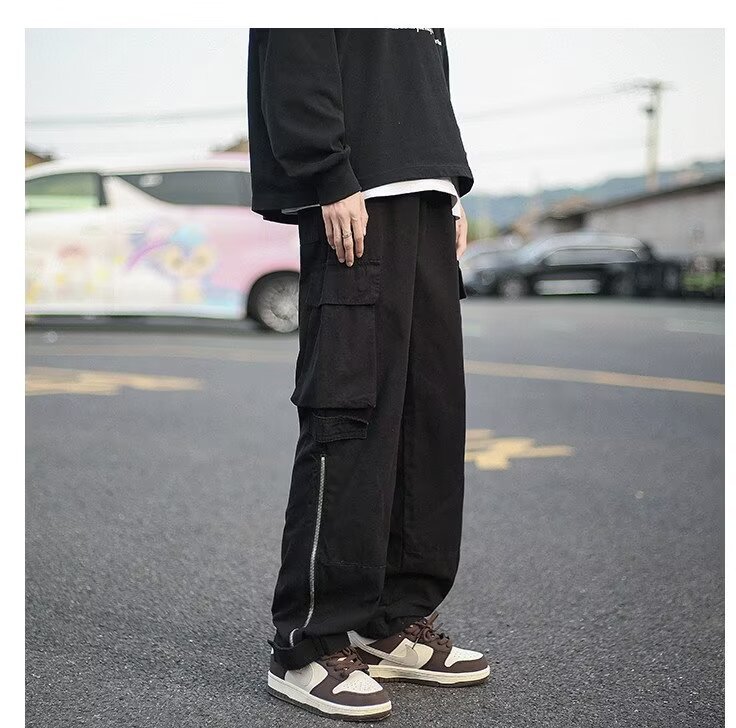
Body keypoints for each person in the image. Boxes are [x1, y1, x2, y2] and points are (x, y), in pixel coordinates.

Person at [247, 28, 489, 721]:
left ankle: (392, 622)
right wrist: (326, 172)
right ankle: (309, 642)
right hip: (358, 192)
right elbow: (295, 42)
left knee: (425, 416)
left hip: (427, 194)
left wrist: (450, 188)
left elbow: (421, 73)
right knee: (348, 412)